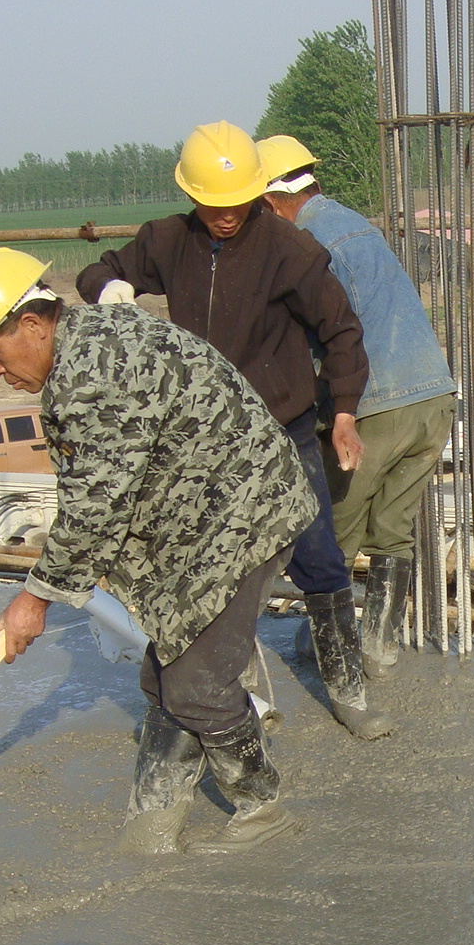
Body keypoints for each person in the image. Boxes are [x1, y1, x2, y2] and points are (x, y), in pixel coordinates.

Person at [0, 246, 316, 853]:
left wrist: (36, 598)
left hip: (244, 516)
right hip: (205, 516)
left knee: (198, 684)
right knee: (167, 671)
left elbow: (96, 502)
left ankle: (262, 808)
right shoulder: (89, 340)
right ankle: (157, 813)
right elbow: (104, 487)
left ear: (33, 326)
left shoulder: (88, 375)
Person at [76, 121, 392, 740]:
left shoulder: (288, 250)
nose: (226, 216)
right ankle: (233, 697)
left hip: (283, 429)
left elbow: (341, 331)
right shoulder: (167, 242)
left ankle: (348, 688)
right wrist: (112, 289)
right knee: (209, 566)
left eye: (238, 202)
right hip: (203, 440)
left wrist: (346, 412)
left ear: (257, 191)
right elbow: (98, 271)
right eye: (213, 204)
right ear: (193, 196)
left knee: (318, 556)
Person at [258, 135, 456, 674]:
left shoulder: (309, 244)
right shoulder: (353, 223)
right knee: (394, 528)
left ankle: (333, 646)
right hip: (434, 400)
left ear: (273, 201)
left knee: (335, 531)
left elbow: (321, 336)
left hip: (377, 407)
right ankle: (378, 647)